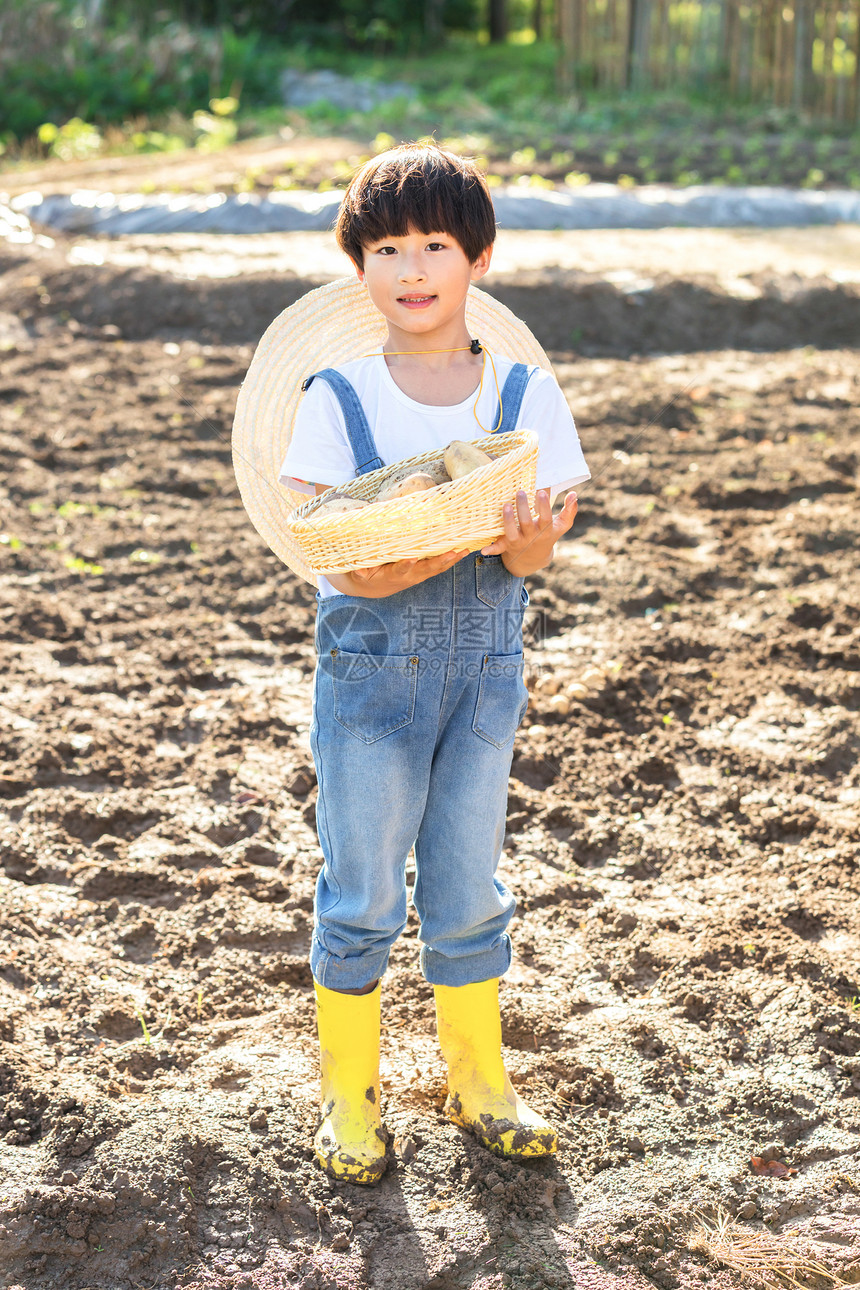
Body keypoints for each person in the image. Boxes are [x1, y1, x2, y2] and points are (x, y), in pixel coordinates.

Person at [233, 143, 590, 1185]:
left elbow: (534, 554)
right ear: (359, 269)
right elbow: (333, 551)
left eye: (435, 243)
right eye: (386, 247)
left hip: (483, 671)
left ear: (477, 256)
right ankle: (350, 1091)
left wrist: (518, 532)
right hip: (370, 677)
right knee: (359, 891)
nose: (412, 266)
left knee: (467, 881)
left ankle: (474, 1074)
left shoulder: (520, 392)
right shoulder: (337, 395)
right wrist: (428, 545)